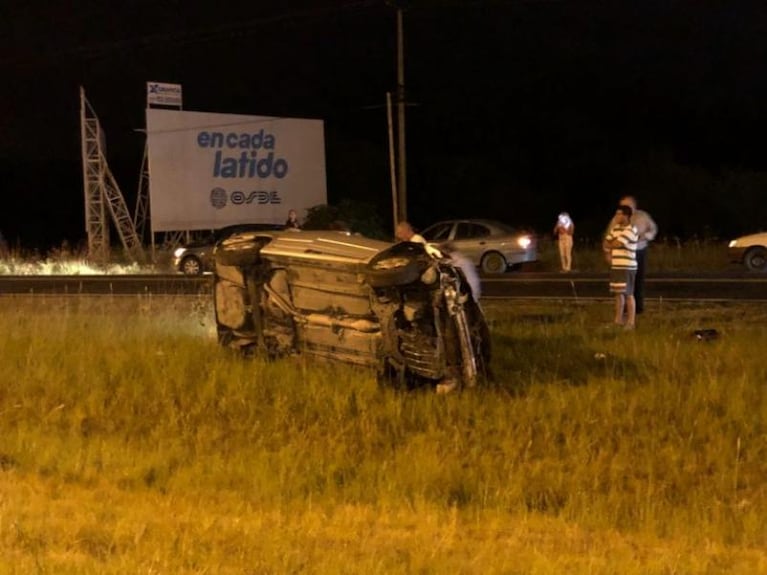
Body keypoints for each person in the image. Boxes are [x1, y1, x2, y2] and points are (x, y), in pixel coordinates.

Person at [605, 196, 657, 313]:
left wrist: (646, 236)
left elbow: (653, 229)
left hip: (639, 251)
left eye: (625, 205)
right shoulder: (616, 220)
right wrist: (608, 252)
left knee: (637, 280)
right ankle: (623, 310)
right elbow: (609, 237)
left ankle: (637, 308)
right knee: (621, 285)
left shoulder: (642, 217)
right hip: (622, 255)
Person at [603, 204, 639, 329]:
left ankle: (631, 322)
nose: (616, 217)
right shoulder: (616, 228)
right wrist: (611, 244)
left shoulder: (631, 229)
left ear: (626, 216)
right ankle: (618, 320)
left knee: (628, 294)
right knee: (618, 294)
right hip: (617, 265)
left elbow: (616, 243)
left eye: (619, 214)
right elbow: (606, 242)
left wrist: (611, 244)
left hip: (627, 266)